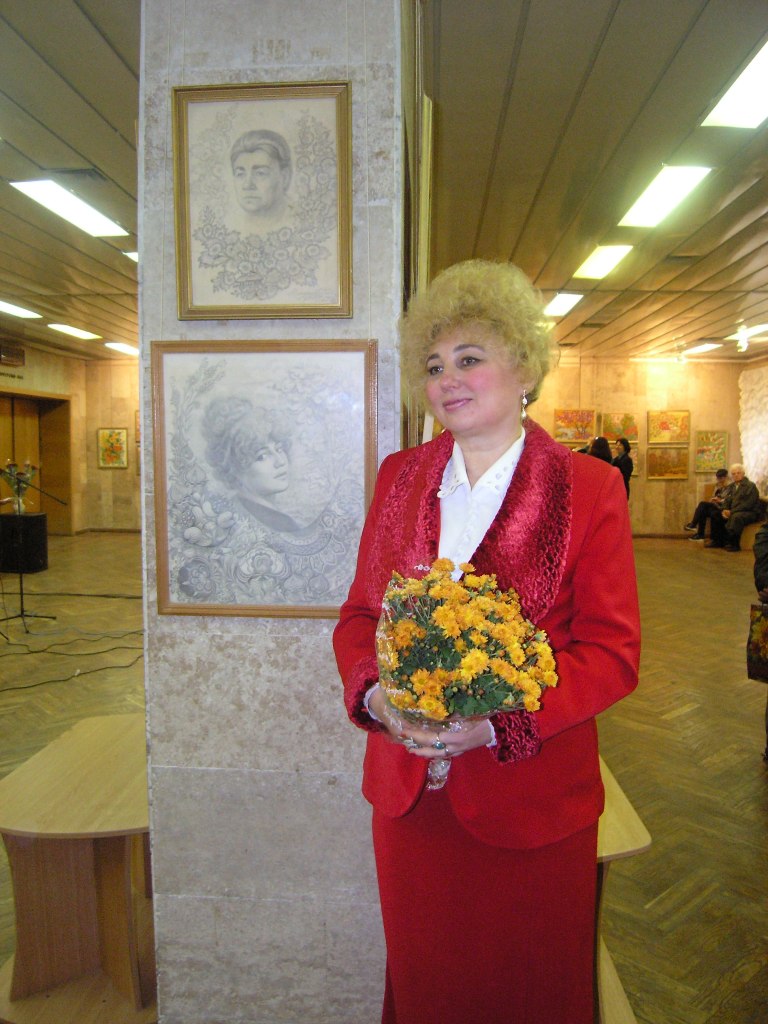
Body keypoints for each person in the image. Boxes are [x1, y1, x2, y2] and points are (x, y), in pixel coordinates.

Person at [333, 260, 641, 1024]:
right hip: (410, 805)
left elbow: (611, 653)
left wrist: (501, 724)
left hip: (530, 804)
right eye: (434, 365)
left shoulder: (589, 487)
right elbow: (360, 617)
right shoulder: (398, 478)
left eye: (469, 358)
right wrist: (377, 697)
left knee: (530, 988)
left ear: (525, 368)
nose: (448, 380)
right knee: (428, 986)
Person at [229, 129, 294, 229]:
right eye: (240, 174)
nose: (247, 185)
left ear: (285, 177)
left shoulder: (301, 222)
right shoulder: (233, 227)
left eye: (260, 173)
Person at [706, 463, 762, 551]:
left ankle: (734, 544)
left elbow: (747, 504)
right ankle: (717, 541)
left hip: (750, 512)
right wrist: (724, 509)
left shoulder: (750, 486)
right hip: (735, 510)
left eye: (738, 473)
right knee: (716, 514)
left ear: (743, 473)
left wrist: (731, 511)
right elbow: (727, 500)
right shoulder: (732, 486)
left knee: (736, 517)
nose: (736, 475)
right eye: (733, 474)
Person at [684, 468, 730, 540]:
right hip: (716, 505)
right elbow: (714, 496)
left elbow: (729, 500)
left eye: (721, 478)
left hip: (724, 508)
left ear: (726, 477)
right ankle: (700, 534)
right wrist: (713, 499)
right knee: (702, 509)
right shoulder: (718, 486)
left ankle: (694, 525)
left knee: (703, 505)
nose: (719, 480)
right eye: (718, 479)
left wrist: (720, 501)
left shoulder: (731, 487)